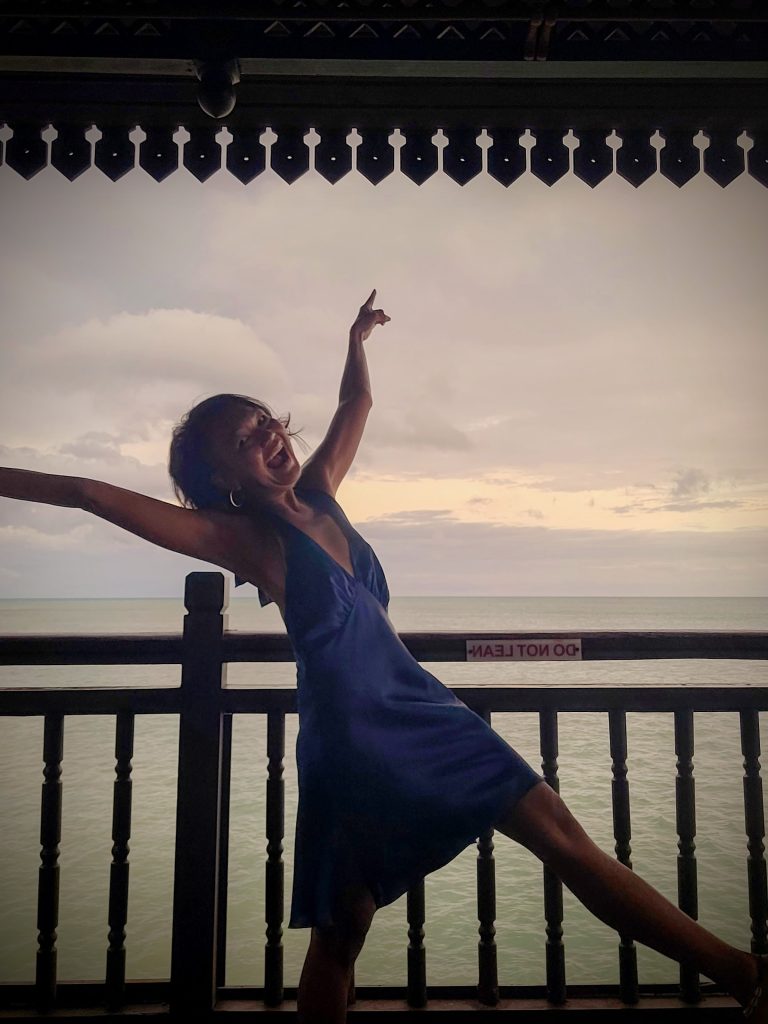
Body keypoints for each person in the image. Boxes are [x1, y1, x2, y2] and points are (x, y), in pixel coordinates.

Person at [1, 289, 766, 1023]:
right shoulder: (244, 539)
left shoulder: (323, 494)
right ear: (221, 480)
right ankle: (744, 975)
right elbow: (88, 494)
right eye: (242, 441)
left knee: (352, 926)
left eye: (264, 421)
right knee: (428, 892)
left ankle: (742, 974)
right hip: (359, 735)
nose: (267, 437)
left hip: (415, 708)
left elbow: (354, 407)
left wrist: (355, 342)